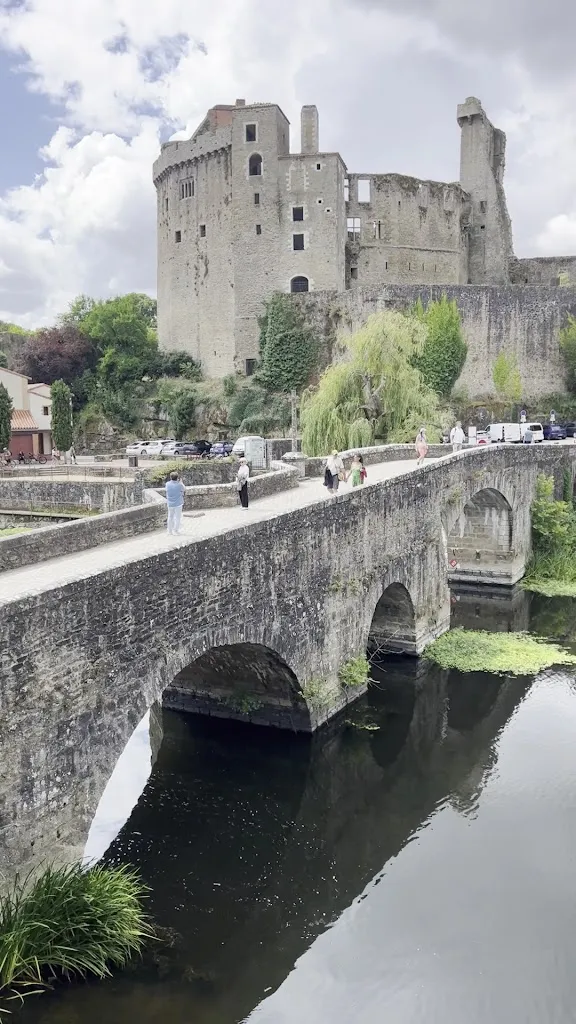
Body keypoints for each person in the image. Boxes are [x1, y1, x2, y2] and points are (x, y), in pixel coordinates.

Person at [165, 470, 185, 535]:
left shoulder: (167, 484)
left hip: (170, 503)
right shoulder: (179, 485)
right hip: (178, 503)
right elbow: (184, 489)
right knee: (177, 517)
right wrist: (181, 482)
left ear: (170, 477)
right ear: (177, 478)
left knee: (170, 517)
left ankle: (169, 531)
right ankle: (176, 530)